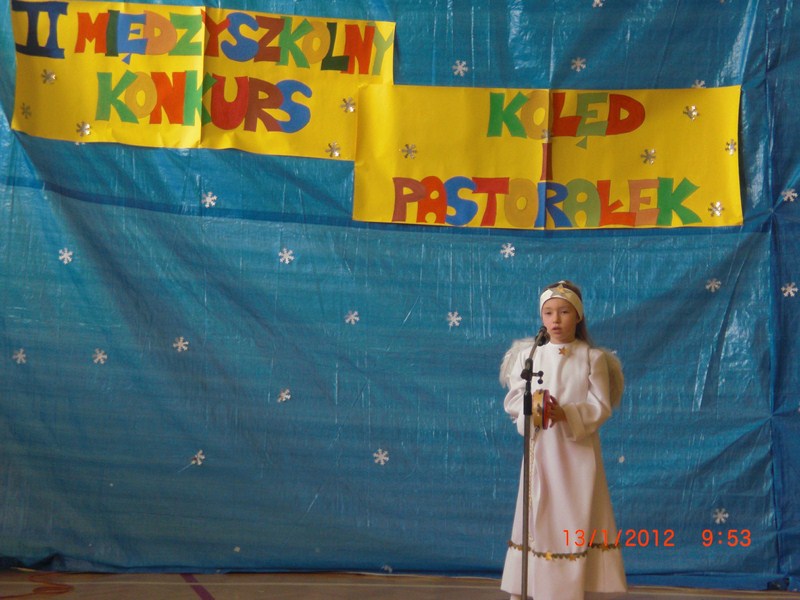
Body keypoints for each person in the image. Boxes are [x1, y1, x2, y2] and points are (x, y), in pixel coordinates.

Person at [499, 280, 627, 600]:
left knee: (574, 516)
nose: (555, 320)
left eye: (564, 312)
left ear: (578, 316)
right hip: (541, 449)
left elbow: (600, 405)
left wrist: (566, 413)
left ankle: (570, 589)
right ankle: (531, 587)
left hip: (576, 453)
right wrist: (535, 408)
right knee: (537, 515)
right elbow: (514, 399)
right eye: (549, 313)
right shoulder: (528, 356)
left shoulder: (591, 358)